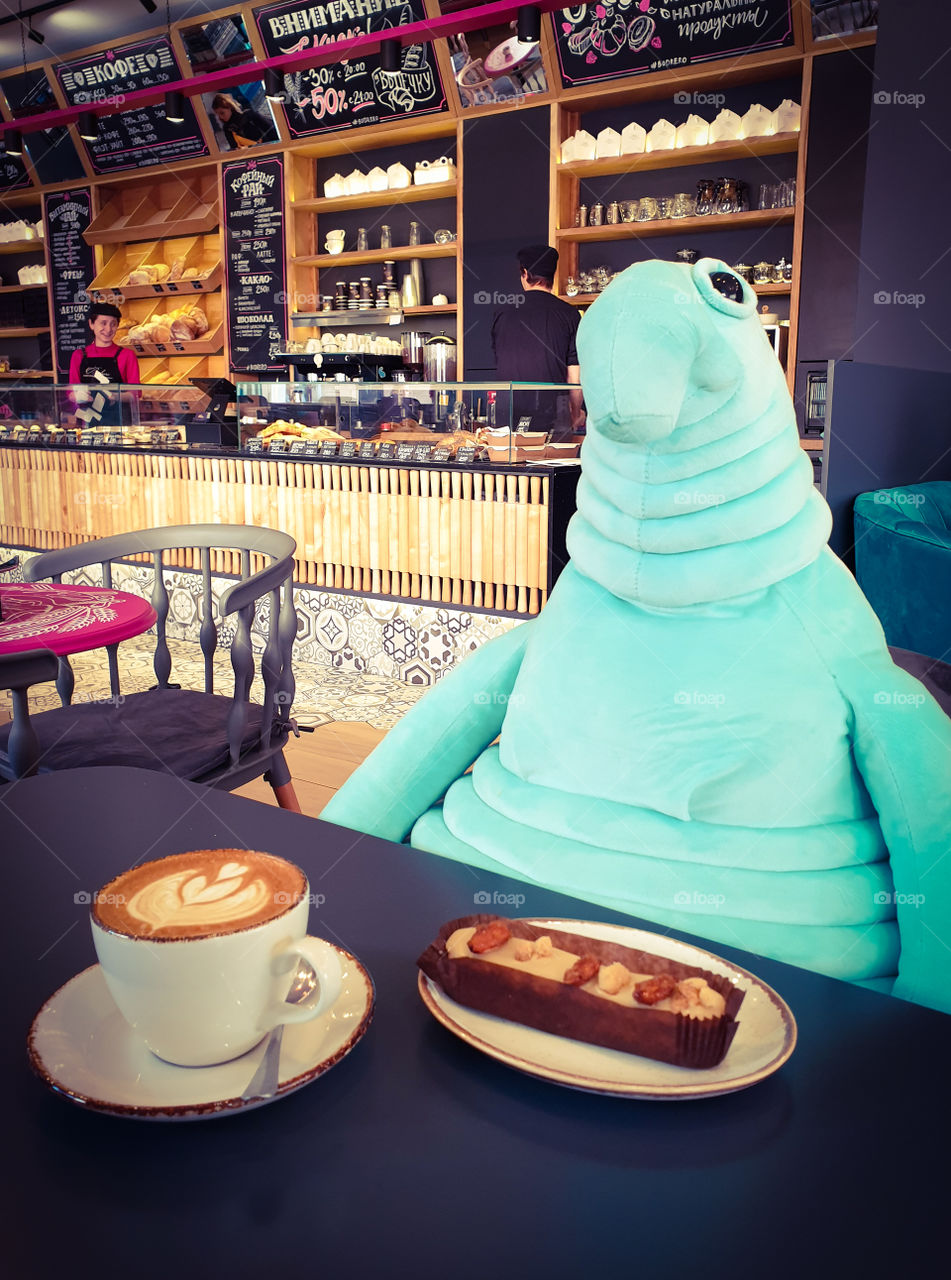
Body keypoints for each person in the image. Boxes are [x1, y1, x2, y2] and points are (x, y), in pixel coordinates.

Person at [490, 244, 585, 436]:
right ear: (553, 276)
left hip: (506, 420)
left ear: (525, 273)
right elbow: (574, 376)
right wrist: (575, 413)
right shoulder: (570, 315)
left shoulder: (502, 312)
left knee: (509, 464)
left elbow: (501, 361)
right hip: (553, 422)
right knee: (551, 465)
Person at [68, 301, 139, 387]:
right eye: (103, 323)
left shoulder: (127, 355)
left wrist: (115, 396)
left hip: (118, 401)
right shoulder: (78, 355)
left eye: (113, 324)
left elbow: (135, 392)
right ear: (91, 324)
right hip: (88, 401)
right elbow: (71, 391)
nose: (108, 329)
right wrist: (77, 396)